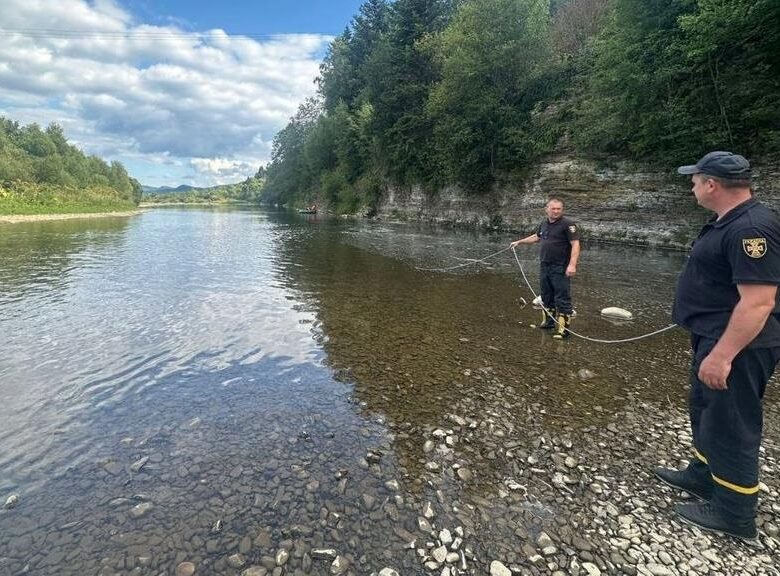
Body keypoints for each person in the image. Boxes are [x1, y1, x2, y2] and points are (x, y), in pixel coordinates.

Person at [655, 151, 780, 540]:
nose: (691, 186)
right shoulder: (729, 220)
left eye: (695, 180)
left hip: (740, 346)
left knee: (731, 424)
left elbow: (759, 301)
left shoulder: (751, 229)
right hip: (714, 337)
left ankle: (734, 513)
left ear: (712, 184)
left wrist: (723, 356)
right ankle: (703, 475)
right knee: (706, 411)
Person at [510, 198, 580, 339]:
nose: (555, 211)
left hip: (560, 267)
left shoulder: (568, 225)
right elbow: (537, 237)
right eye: (553, 208)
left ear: (562, 210)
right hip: (545, 265)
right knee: (546, 295)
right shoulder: (544, 223)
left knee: (562, 297)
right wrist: (519, 242)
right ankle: (548, 323)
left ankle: (564, 330)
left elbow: (575, 244)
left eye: (558, 209)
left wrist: (572, 264)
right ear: (546, 209)